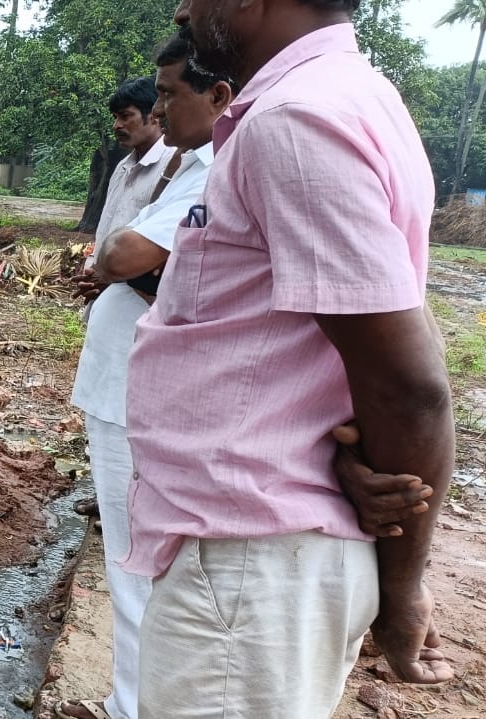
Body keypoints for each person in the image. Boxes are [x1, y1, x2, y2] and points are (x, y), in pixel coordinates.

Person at [129, 0, 456, 714]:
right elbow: (362, 337)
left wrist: (404, 587)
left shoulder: (295, 122)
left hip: (252, 566)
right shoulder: (345, 98)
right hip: (262, 551)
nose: (183, 7)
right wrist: (340, 454)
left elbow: (408, 383)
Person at [55, 33, 235, 719]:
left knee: (135, 558)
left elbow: (125, 252)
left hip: (138, 389)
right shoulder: (186, 168)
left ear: (218, 96)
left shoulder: (212, 168)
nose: (157, 110)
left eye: (166, 96)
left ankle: (131, 704)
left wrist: (115, 266)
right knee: (142, 554)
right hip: (129, 379)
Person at [68, 75, 172, 521]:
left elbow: (151, 252)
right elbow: (109, 230)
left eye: (126, 116)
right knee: (105, 405)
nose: (118, 125)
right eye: (115, 117)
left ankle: (129, 499)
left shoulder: (172, 171)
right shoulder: (125, 166)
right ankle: (108, 489)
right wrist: (94, 272)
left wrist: (108, 279)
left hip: (140, 307)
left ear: (154, 115)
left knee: (129, 407)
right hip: (108, 301)